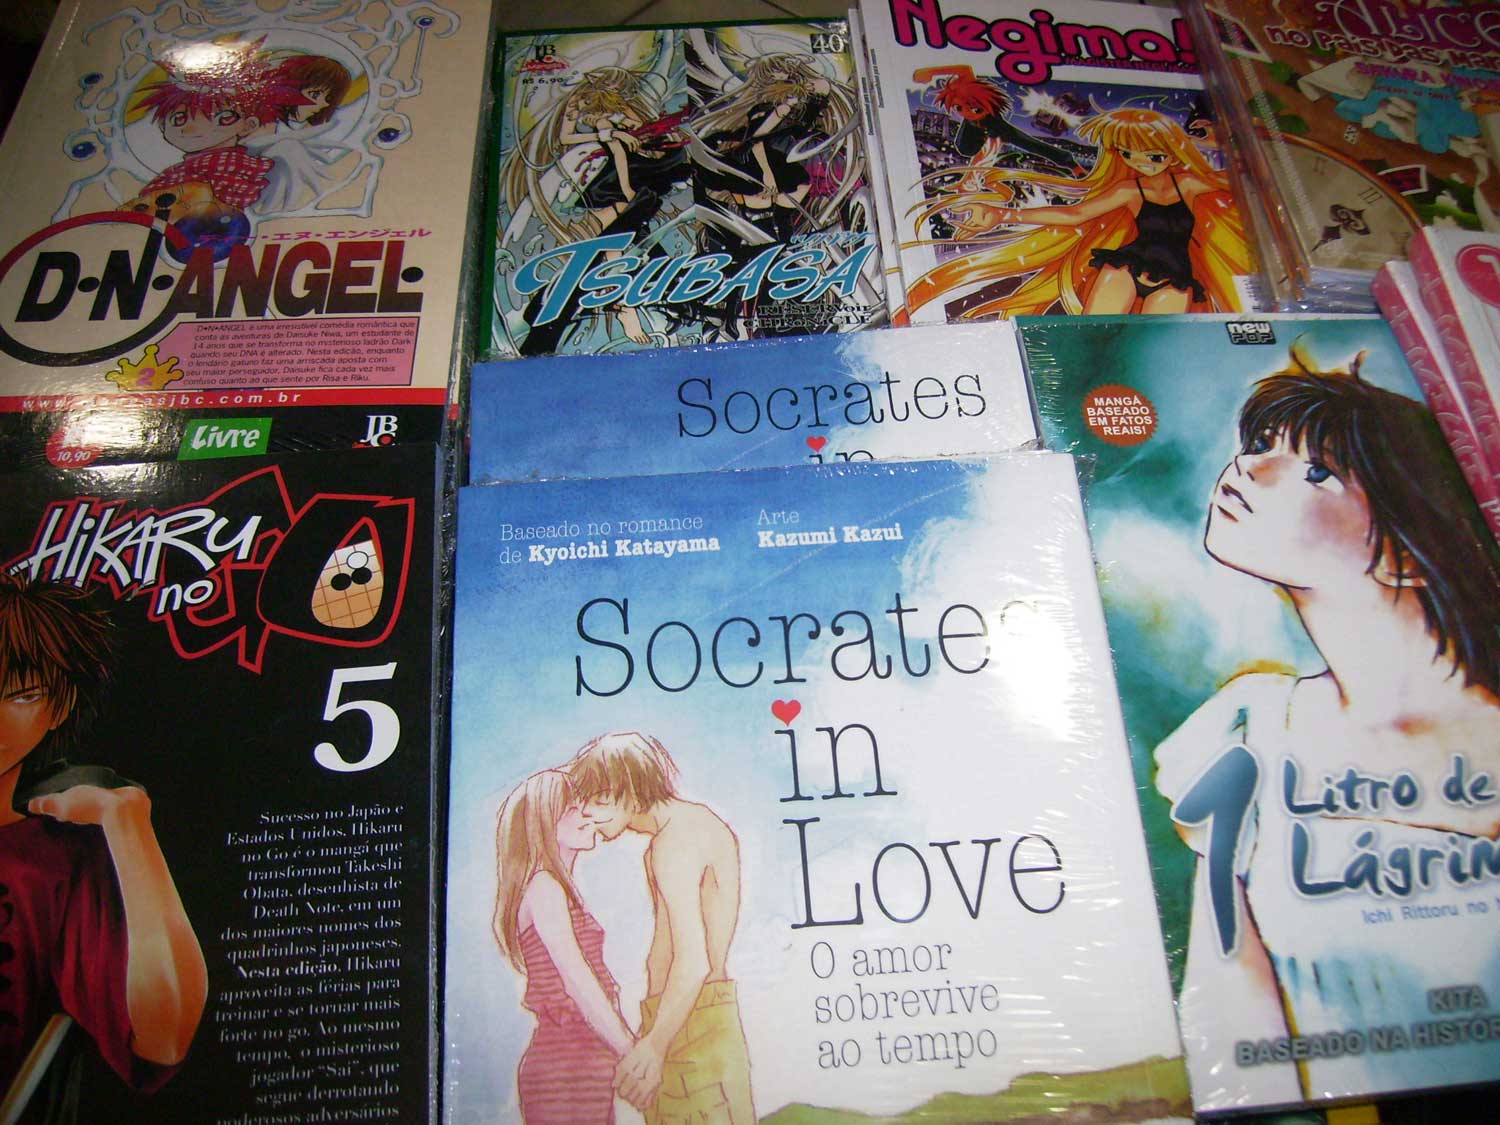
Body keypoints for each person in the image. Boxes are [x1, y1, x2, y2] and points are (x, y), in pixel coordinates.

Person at [1154, 346, 1500, 1102]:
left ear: (1408, 551)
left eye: (1316, 471)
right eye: (1259, 444)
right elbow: (1232, 1018)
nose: (1248, 468)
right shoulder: (1251, 730)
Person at [0, 574, 206, 1119]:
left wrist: (127, 824)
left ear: (59, 707)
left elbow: (163, 1039)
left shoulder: (54, 859)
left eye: (22, 694)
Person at [566, 732, 754, 1123]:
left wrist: (654, 1045)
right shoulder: (687, 828)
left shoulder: (674, 843)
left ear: (631, 790)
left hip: (690, 1024)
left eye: (598, 800)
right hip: (690, 1019)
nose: (587, 814)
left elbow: (694, 961)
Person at [903, 106, 1249, 318]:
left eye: (1153, 155)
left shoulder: (1190, 184)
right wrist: (1003, 216)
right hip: (1125, 268)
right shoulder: (1129, 191)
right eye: (1128, 154)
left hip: (1175, 279)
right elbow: (1074, 215)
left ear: (1173, 153)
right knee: (1093, 342)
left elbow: (1243, 175)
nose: (1141, 162)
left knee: (1154, 352)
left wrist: (1215, 141)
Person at [499, 63, 692, 351]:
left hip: (625, 174)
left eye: (622, 89)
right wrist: (609, 135)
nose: (619, 92)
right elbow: (566, 138)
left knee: (623, 234)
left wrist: (638, 130)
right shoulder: (580, 102)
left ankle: (624, 302)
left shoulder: (619, 103)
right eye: (615, 87)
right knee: (622, 233)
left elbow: (640, 123)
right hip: (601, 170)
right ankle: (625, 304)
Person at [493, 769, 634, 1124]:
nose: (587, 815)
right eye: (571, 809)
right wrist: (632, 1053)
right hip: (567, 1065)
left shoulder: (556, 889)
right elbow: (577, 980)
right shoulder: (544, 886)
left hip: (585, 1060)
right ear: (543, 824)